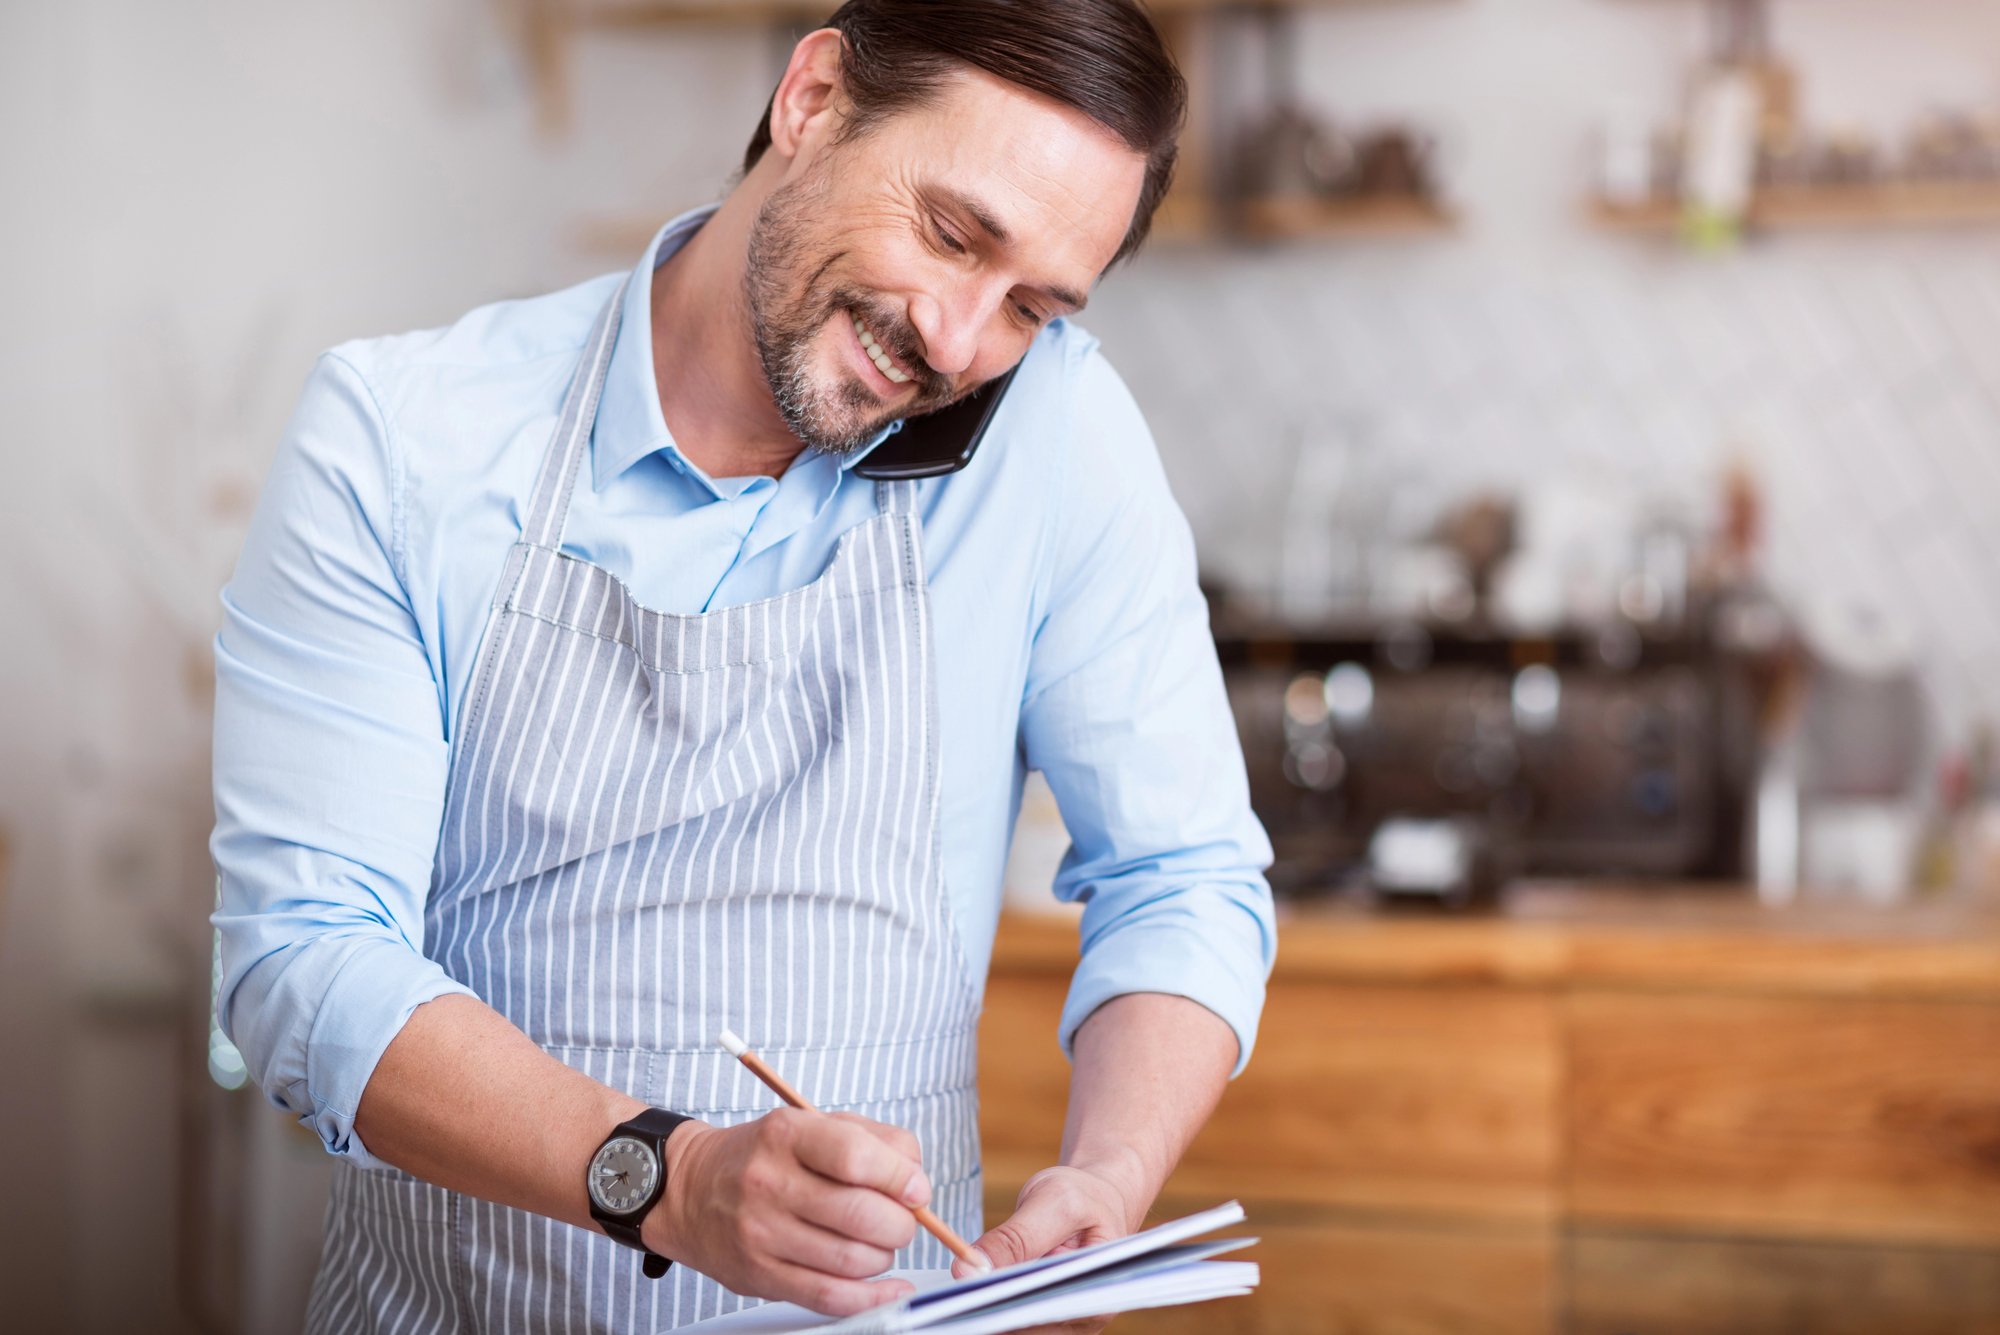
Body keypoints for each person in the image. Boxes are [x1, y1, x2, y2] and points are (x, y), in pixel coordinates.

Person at [210, 1, 1275, 1330]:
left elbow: (1182, 876)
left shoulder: (1054, 433)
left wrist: (1106, 1179)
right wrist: (674, 1178)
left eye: (1031, 307)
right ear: (814, 98)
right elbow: (301, 963)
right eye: (951, 234)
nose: (954, 343)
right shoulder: (402, 440)